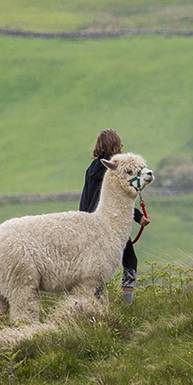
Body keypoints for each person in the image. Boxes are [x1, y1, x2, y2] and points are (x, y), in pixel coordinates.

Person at [78, 128, 144, 303]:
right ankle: (126, 302)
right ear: (116, 145)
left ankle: (95, 299)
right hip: (109, 222)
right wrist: (138, 217)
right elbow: (119, 201)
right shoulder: (114, 170)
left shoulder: (91, 169)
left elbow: (87, 197)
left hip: (88, 221)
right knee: (130, 259)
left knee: (96, 263)